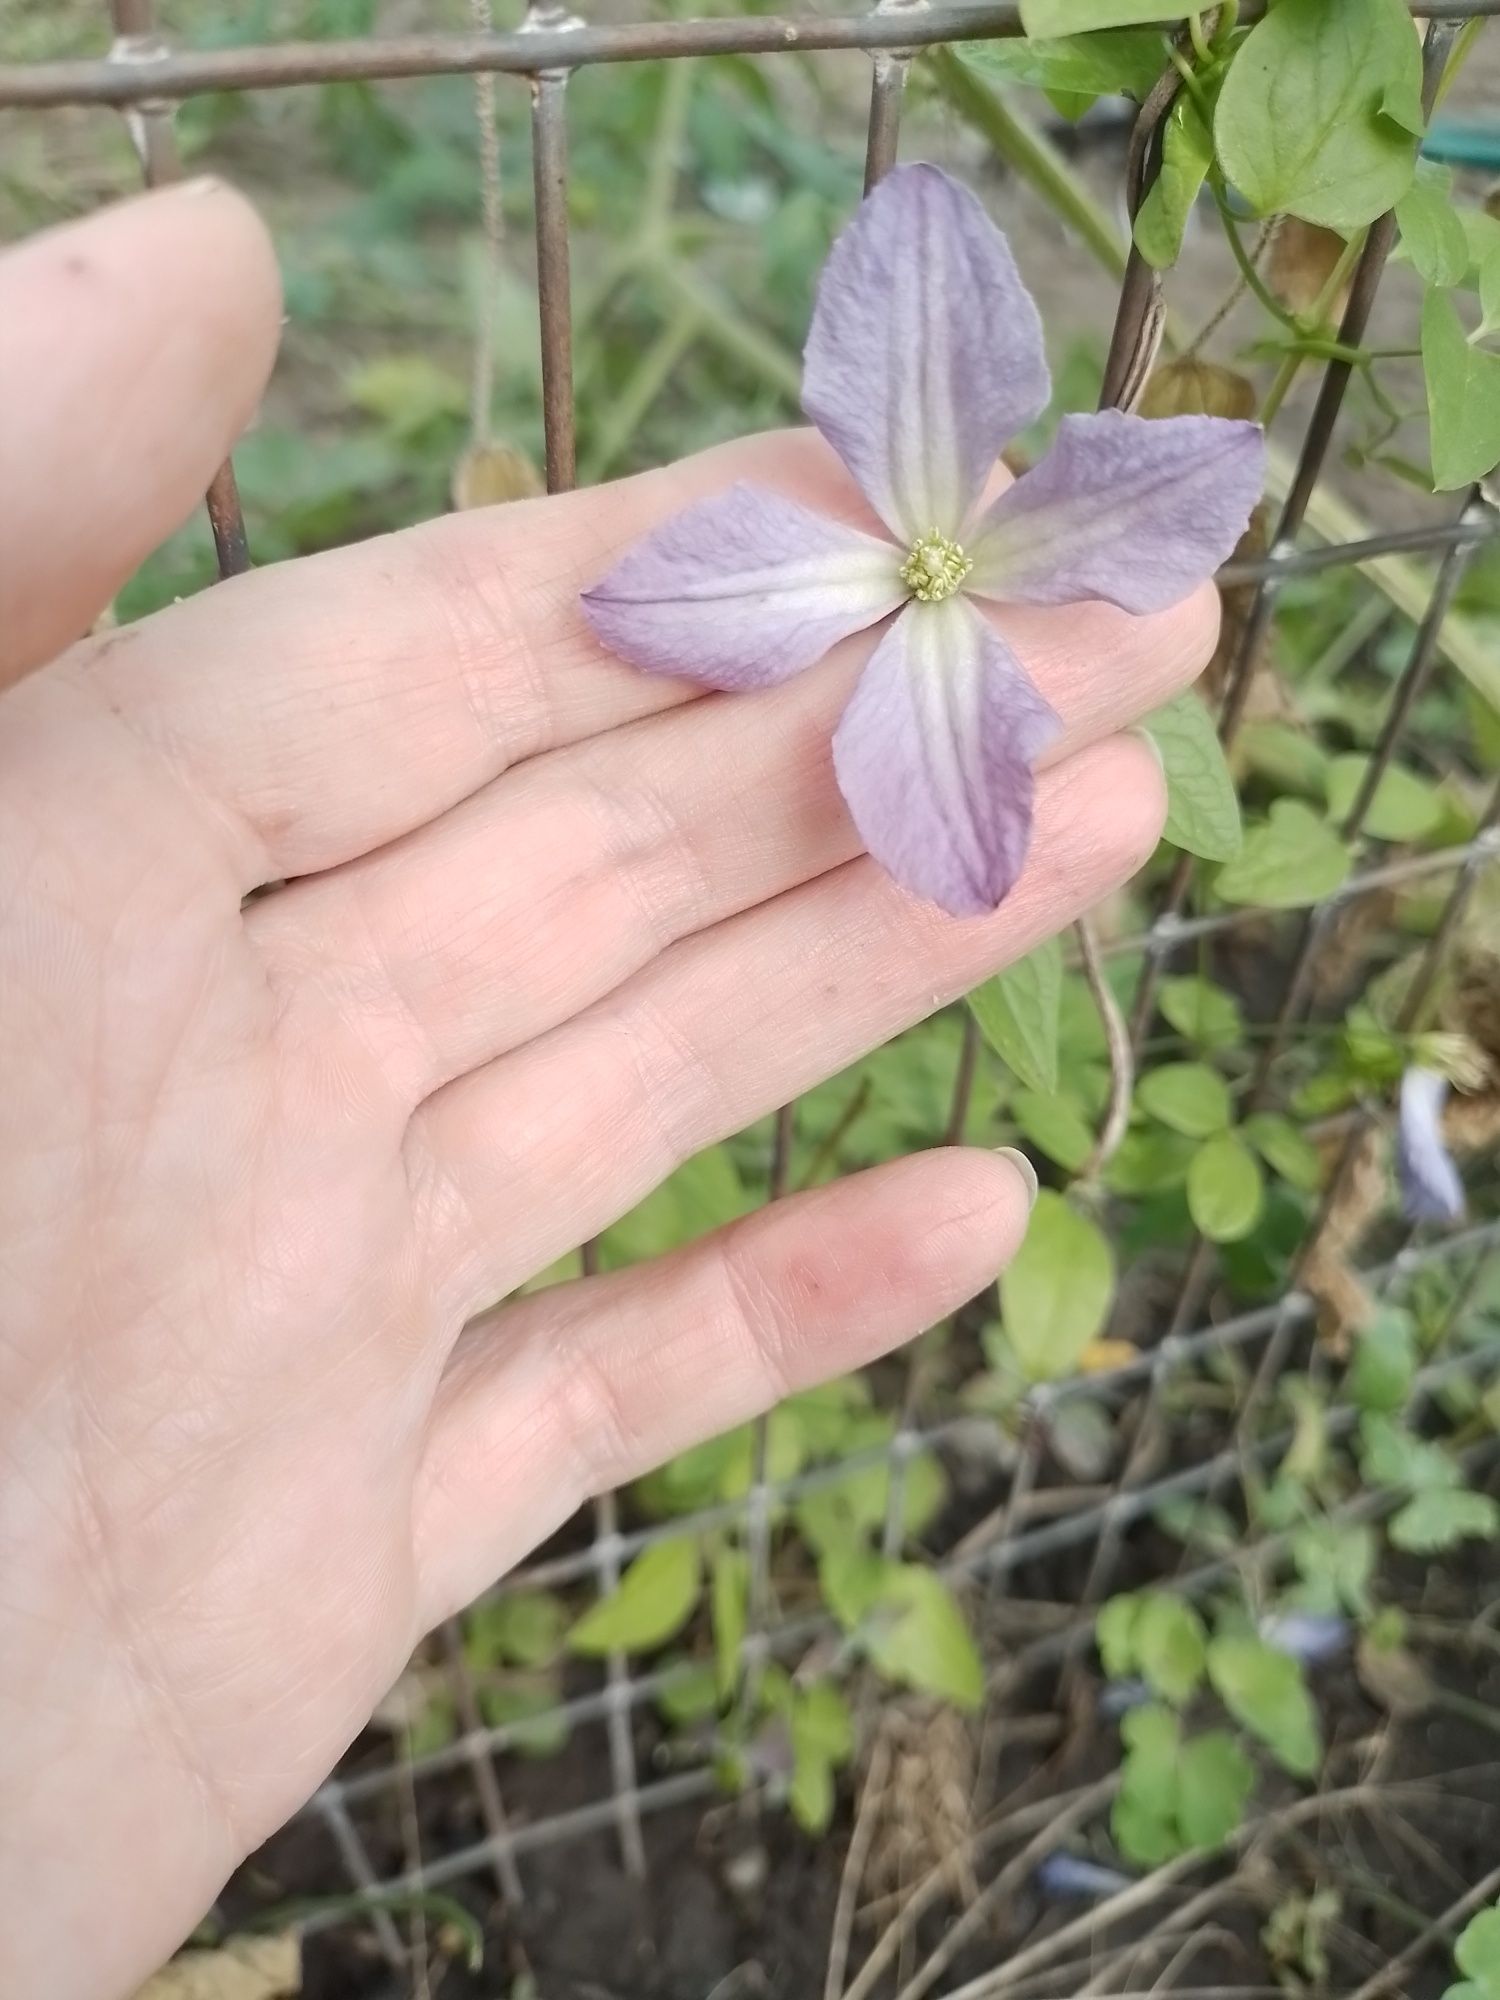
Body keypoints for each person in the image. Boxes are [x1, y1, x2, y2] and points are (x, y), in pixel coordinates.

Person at [0, 181, 1216, 1998]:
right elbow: (681, 595)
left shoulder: (983, 587)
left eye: (952, 555)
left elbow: (1114, 559)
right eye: (934, 548)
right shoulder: (871, 578)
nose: (937, 564)